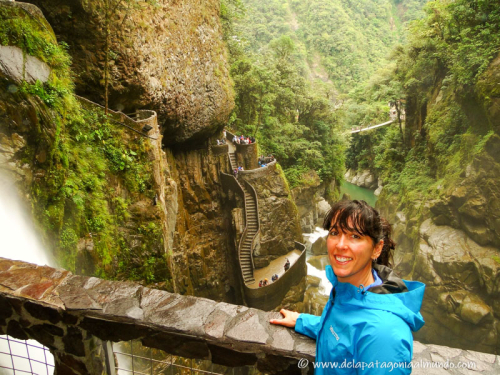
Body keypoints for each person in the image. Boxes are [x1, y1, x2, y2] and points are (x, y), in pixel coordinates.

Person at [270, 200, 425, 374]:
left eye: (355, 236)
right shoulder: (347, 289)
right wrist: (303, 321)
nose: (341, 245)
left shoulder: (384, 335)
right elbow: (343, 329)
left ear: (377, 248)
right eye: (335, 233)